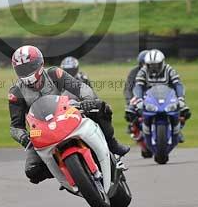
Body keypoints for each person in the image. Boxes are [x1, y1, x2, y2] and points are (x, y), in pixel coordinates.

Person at [8, 45, 129, 184]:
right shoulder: (15, 93)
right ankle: (67, 172)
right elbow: (15, 126)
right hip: (42, 131)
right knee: (32, 172)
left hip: (66, 113)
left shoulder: (54, 74)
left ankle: (111, 143)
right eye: (22, 69)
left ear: (40, 63)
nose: (27, 71)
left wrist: (87, 100)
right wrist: (24, 138)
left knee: (101, 107)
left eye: (30, 66)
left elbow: (80, 87)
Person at [130, 49, 192, 142]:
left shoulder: (169, 70)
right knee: (131, 110)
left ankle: (178, 129)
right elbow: (138, 86)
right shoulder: (143, 71)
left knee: (185, 110)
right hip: (148, 97)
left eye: (156, 65)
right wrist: (139, 99)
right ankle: (138, 130)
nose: (153, 68)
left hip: (168, 96)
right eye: (150, 65)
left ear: (162, 63)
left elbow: (178, 84)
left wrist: (180, 98)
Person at [123, 50, 148, 133]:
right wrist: (129, 99)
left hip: (153, 97)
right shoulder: (134, 72)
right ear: (140, 63)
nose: (146, 65)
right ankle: (133, 125)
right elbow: (127, 88)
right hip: (138, 97)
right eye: (144, 63)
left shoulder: (157, 72)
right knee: (130, 111)